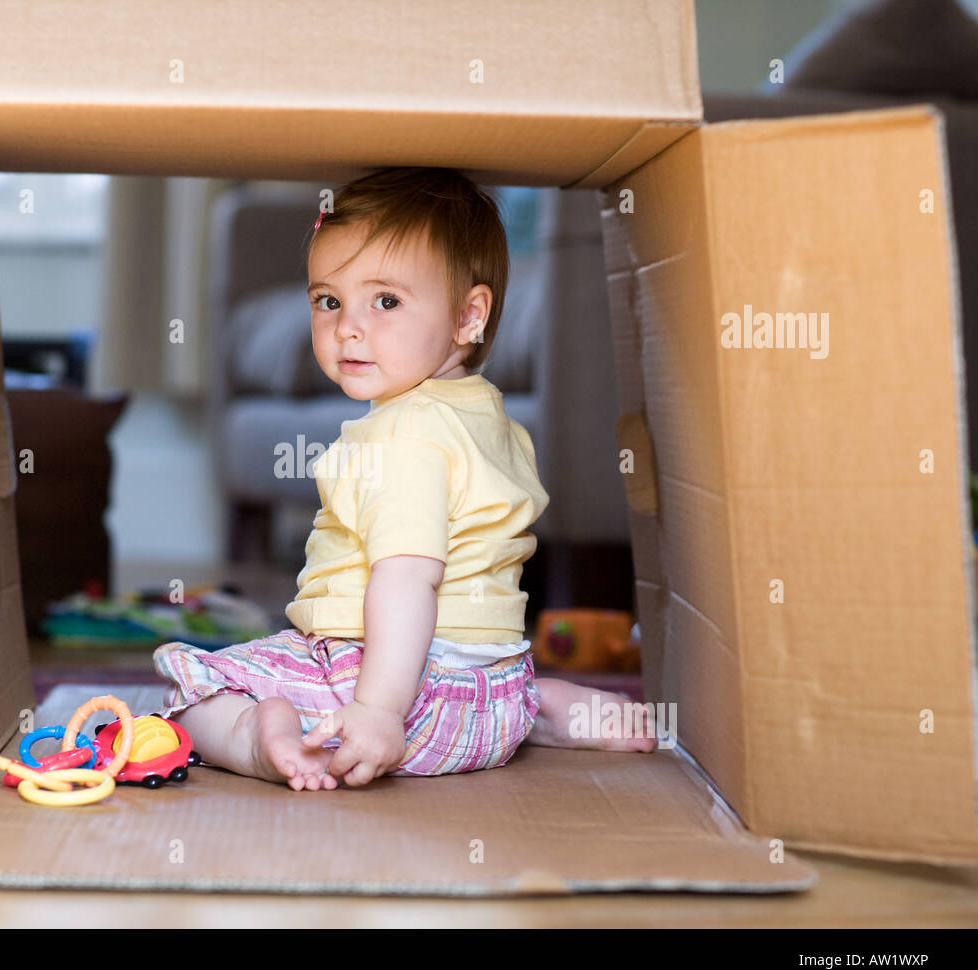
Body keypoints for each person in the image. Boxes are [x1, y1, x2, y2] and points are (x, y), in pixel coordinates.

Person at [154, 167, 655, 791]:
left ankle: (262, 740)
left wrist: (379, 711)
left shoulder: (400, 436)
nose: (349, 327)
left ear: (469, 316)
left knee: (197, 689)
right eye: (328, 300)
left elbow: (408, 576)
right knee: (482, 676)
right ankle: (539, 709)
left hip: (400, 696)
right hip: (488, 700)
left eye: (385, 300)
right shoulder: (493, 421)